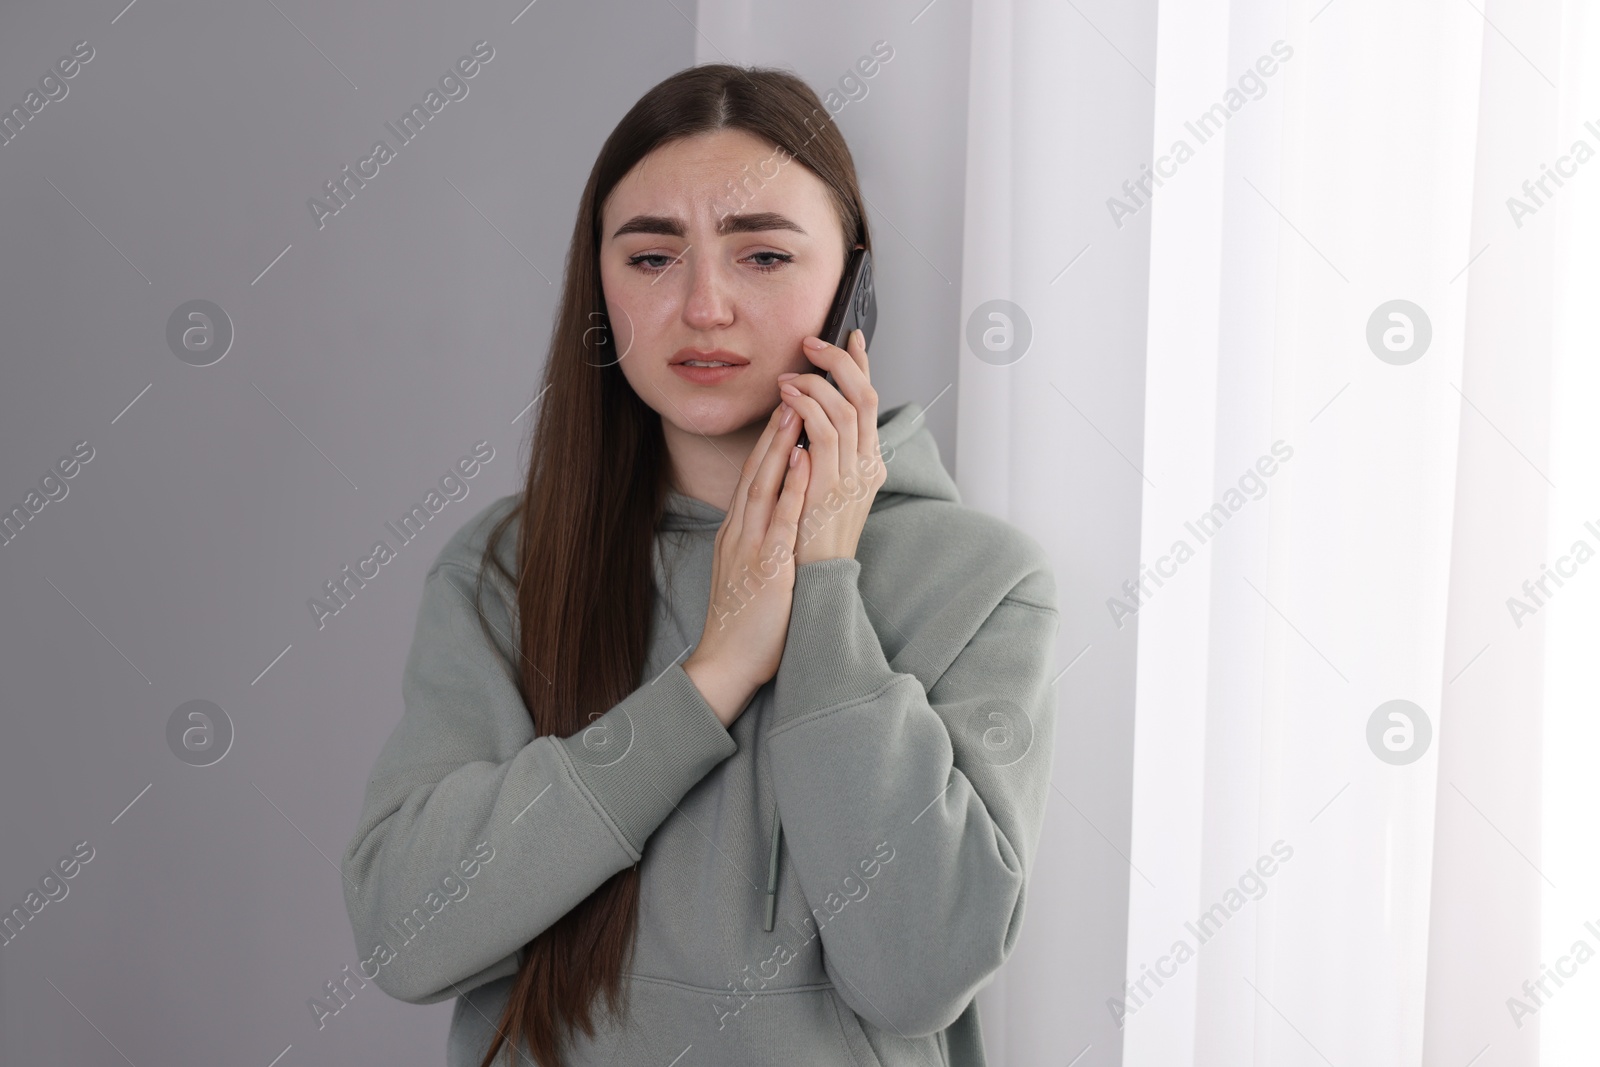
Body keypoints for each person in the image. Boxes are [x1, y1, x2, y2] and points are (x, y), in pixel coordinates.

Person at [339, 62, 1061, 1067]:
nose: (703, 305)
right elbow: (405, 933)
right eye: (650, 258)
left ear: (854, 284)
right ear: (598, 285)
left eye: (762, 255)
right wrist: (712, 675)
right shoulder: (504, 569)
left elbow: (918, 966)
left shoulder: (979, 581)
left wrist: (824, 595)